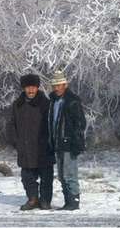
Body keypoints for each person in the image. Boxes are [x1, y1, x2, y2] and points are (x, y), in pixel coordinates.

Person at [7, 74, 54, 210]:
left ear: (37, 87)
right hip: (25, 148)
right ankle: (32, 199)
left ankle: (45, 200)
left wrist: (51, 142)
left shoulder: (46, 103)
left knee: (46, 177)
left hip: (44, 148)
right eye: (28, 87)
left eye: (33, 87)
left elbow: (53, 124)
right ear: (24, 88)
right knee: (27, 177)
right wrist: (16, 142)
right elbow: (11, 125)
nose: (31, 90)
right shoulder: (17, 104)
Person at [48, 70, 87, 211]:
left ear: (65, 84)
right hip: (57, 143)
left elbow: (81, 123)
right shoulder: (53, 101)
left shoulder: (72, 101)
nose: (57, 88)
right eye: (54, 85)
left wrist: (72, 139)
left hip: (69, 144)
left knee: (70, 174)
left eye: (59, 85)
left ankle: (74, 202)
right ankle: (68, 201)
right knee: (61, 174)